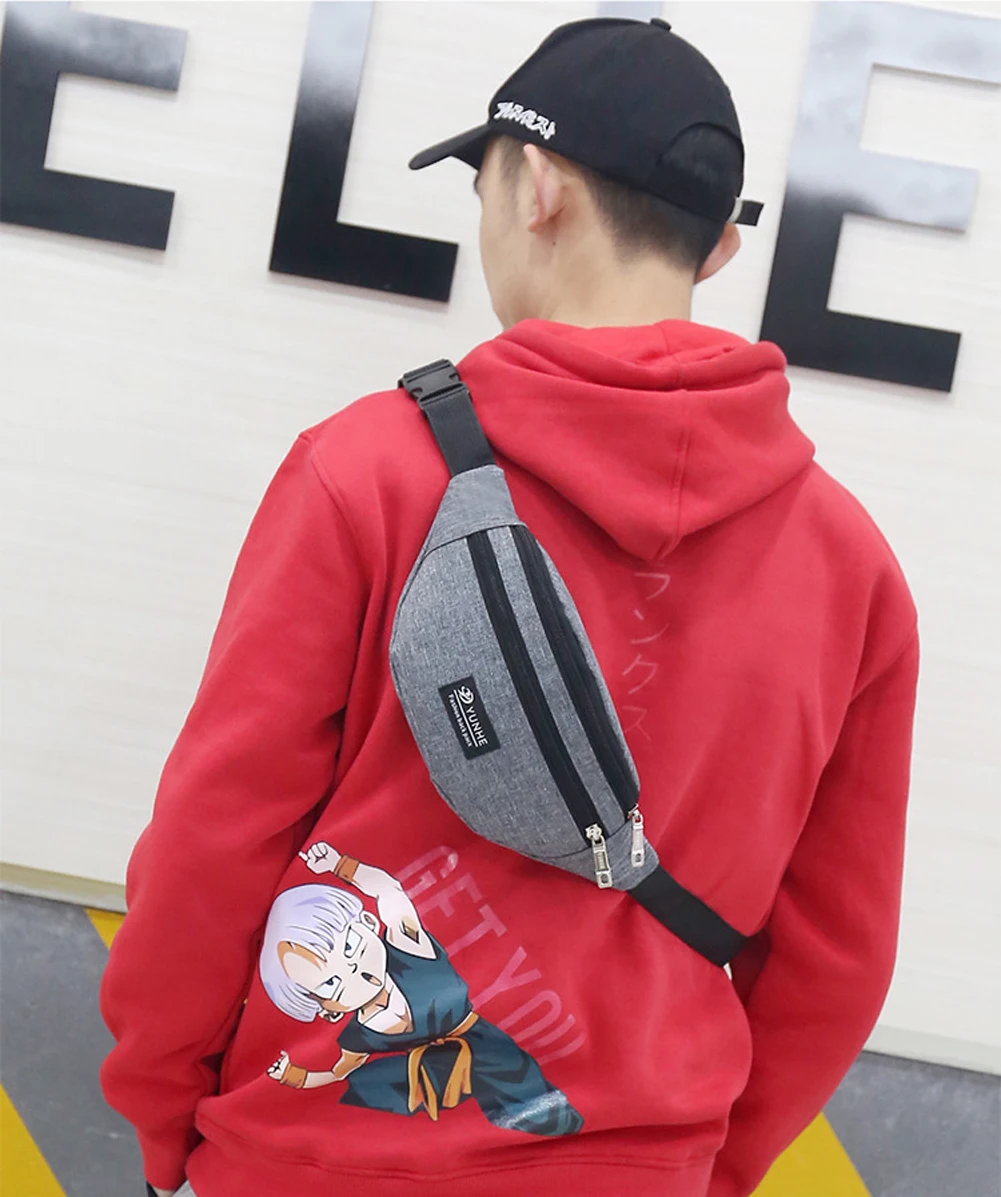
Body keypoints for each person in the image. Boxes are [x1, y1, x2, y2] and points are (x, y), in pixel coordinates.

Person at [100, 16, 919, 1197]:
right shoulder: (850, 567)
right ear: (717, 251)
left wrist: (161, 1104)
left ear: (535, 186)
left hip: (320, 1157)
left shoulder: (369, 474)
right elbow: (836, 952)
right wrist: (697, 1163)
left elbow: (214, 841)